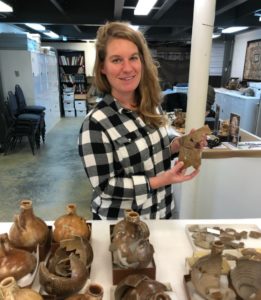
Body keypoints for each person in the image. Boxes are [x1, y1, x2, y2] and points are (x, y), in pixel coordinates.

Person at [78, 21, 204, 220]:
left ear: (142, 61)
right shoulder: (95, 124)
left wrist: (179, 145)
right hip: (122, 226)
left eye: (133, 58)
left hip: (161, 213)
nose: (127, 68)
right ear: (103, 67)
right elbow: (105, 186)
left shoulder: (152, 106)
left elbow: (152, 153)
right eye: (117, 60)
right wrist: (157, 181)